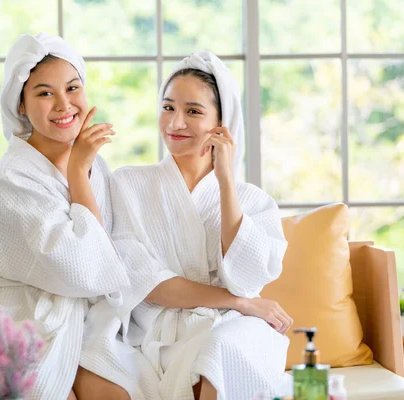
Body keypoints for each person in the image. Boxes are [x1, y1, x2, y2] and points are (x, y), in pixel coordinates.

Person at [109, 51, 294, 399]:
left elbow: (248, 277)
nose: (175, 123)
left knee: (221, 346)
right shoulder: (127, 185)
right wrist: (238, 302)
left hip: (239, 328)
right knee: (211, 349)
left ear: (221, 125)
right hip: (164, 332)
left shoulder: (253, 200)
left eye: (193, 111)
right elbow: (145, 281)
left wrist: (226, 182)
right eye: (168, 108)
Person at [0, 32, 134, 400]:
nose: (64, 104)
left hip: (88, 316)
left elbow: (105, 253)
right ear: (21, 105)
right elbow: (78, 266)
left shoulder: (96, 164)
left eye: (72, 88)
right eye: (45, 93)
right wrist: (77, 171)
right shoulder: (13, 176)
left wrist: (82, 168)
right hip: (25, 315)